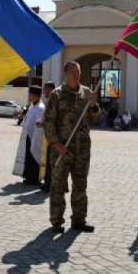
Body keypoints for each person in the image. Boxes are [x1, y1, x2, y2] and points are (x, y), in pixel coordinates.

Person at [42, 62, 100, 233]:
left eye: (78, 72)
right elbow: (49, 121)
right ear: (65, 73)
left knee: (80, 186)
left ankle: (79, 220)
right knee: (58, 186)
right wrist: (56, 144)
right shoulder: (57, 95)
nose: (76, 74)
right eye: (73, 72)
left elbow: (94, 117)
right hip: (62, 149)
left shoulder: (87, 94)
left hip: (82, 149)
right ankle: (57, 220)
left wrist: (93, 105)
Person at [13, 86, 46, 185]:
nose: (29, 97)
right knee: (28, 157)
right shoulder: (33, 106)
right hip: (28, 136)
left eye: (30, 95)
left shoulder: (40, 108)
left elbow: (39, 126)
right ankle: (28, 176)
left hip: (34, 137)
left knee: (33, 157)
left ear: (36, 96)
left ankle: (34, 178)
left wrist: (35, 137)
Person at [38, 82, 56, 193]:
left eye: (44, 89)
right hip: (51, 135)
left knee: (52, 162)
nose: (44, 92)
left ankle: (50, 185)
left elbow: (54, 120)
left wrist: (43, 124)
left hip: (53, 136)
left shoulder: (53, 101)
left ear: (49, 89)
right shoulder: (51, 100)